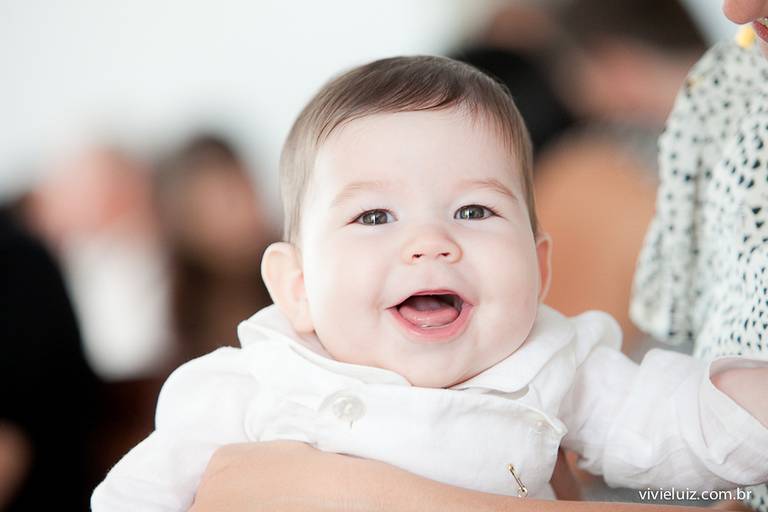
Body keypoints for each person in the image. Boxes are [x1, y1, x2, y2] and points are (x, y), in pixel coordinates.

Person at [92, 56, 768, 511]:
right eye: (374, 215)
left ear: (540, 268)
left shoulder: (552, 365)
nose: (430, 243)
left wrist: (745, 398)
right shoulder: (252, 384)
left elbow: (679, 424)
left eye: (474, 211)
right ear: (296, 286)